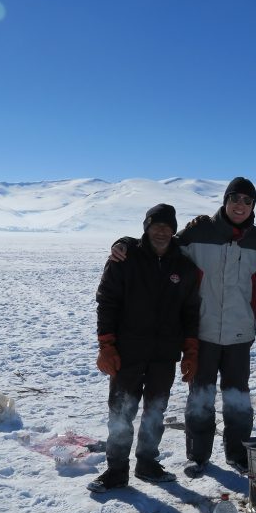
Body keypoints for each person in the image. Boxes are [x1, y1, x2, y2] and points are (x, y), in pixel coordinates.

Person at [111, 177, 256, 477]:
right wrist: (124, 243)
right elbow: (161, 244)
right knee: (201, 397)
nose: (240, 205)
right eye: (235, 198)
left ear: (253, 207)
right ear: (225, 201)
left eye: (247, 201)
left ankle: (237, 454)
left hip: (240, 334)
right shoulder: (199, 231)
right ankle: (198, 456)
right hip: (202, 331)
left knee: (238, 397)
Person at [88, 203, 201, 493]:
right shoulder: (125, 258)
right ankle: (116, 470)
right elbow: (107, 301)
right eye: (155, 226)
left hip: (164, 353)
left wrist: (190, 349)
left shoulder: (184, 266)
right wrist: (106, 345)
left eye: (167, 227)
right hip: (128, 351)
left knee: (155, 410)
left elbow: (190, 310)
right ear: (146, 228)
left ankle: (147, 463)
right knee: (121, 410)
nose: (161, 232)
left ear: (174, 230)